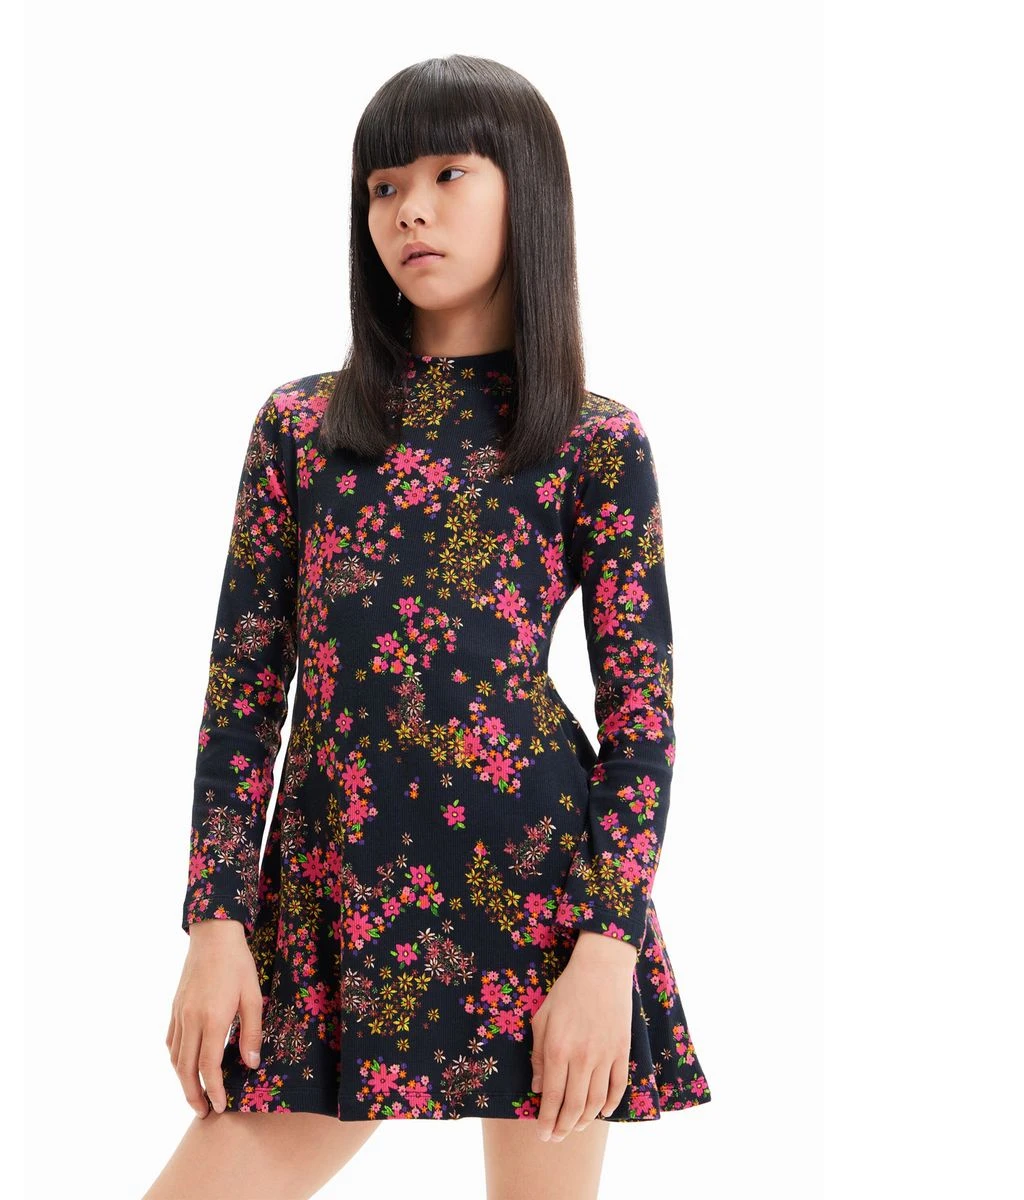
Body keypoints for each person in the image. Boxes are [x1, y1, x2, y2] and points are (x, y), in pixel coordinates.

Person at [143, 53, 711, 1200]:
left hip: (540, 906)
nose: (410, 209)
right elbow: (242, 698)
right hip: (333, 900)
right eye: (384, 185)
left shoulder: (594, 440)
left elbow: (641, 721)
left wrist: (605, 950)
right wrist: (215, 923)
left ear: (527, 190)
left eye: (450, 173)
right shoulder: (301, 428)